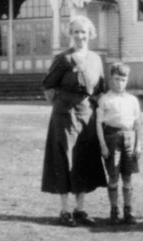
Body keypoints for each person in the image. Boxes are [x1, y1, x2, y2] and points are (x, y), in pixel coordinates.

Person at [41, 15, 108, 227]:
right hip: (65, 116)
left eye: (84, 32)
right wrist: (62, 107)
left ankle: (80, 209)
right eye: (76, 32)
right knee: (64, 159)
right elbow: (49, 86)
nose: (80, 36)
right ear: (71, 34)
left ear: (90, 35)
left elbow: (100, 89)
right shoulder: (64, 59)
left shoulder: (96, 59)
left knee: (83, 159)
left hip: (87, 115)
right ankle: (65, 210)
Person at [95, 62, 142, 225]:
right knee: (113, 176)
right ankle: (114, 209)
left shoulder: (132, 100)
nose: (119, 83)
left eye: (123, 79)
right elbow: (99, 124)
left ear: (127, 80)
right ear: (111, 79)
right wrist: (102, 145)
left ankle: (128, 210)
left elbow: (137, 123)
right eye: (116, 79)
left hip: (129, 137)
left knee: (127, 176)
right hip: (111, 137)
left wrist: (139, 144)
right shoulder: (105, 99)